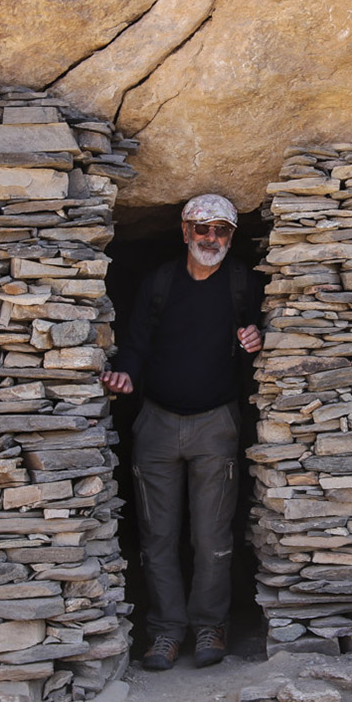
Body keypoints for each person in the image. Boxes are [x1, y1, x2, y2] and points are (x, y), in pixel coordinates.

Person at [103, 194, 262, 670]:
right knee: (157, 536)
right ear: (185, 231)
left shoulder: (242, 284)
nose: (211, 238)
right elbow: (134, 344)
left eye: (222, 231)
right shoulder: (160, 283)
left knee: (213, 536)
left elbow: (265, 337)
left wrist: (260, 338)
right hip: (156, 420)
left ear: (231, 236)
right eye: (202, 229)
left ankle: (210, 625)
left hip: (216, 422)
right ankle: (165, 632)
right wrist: (125, 375)